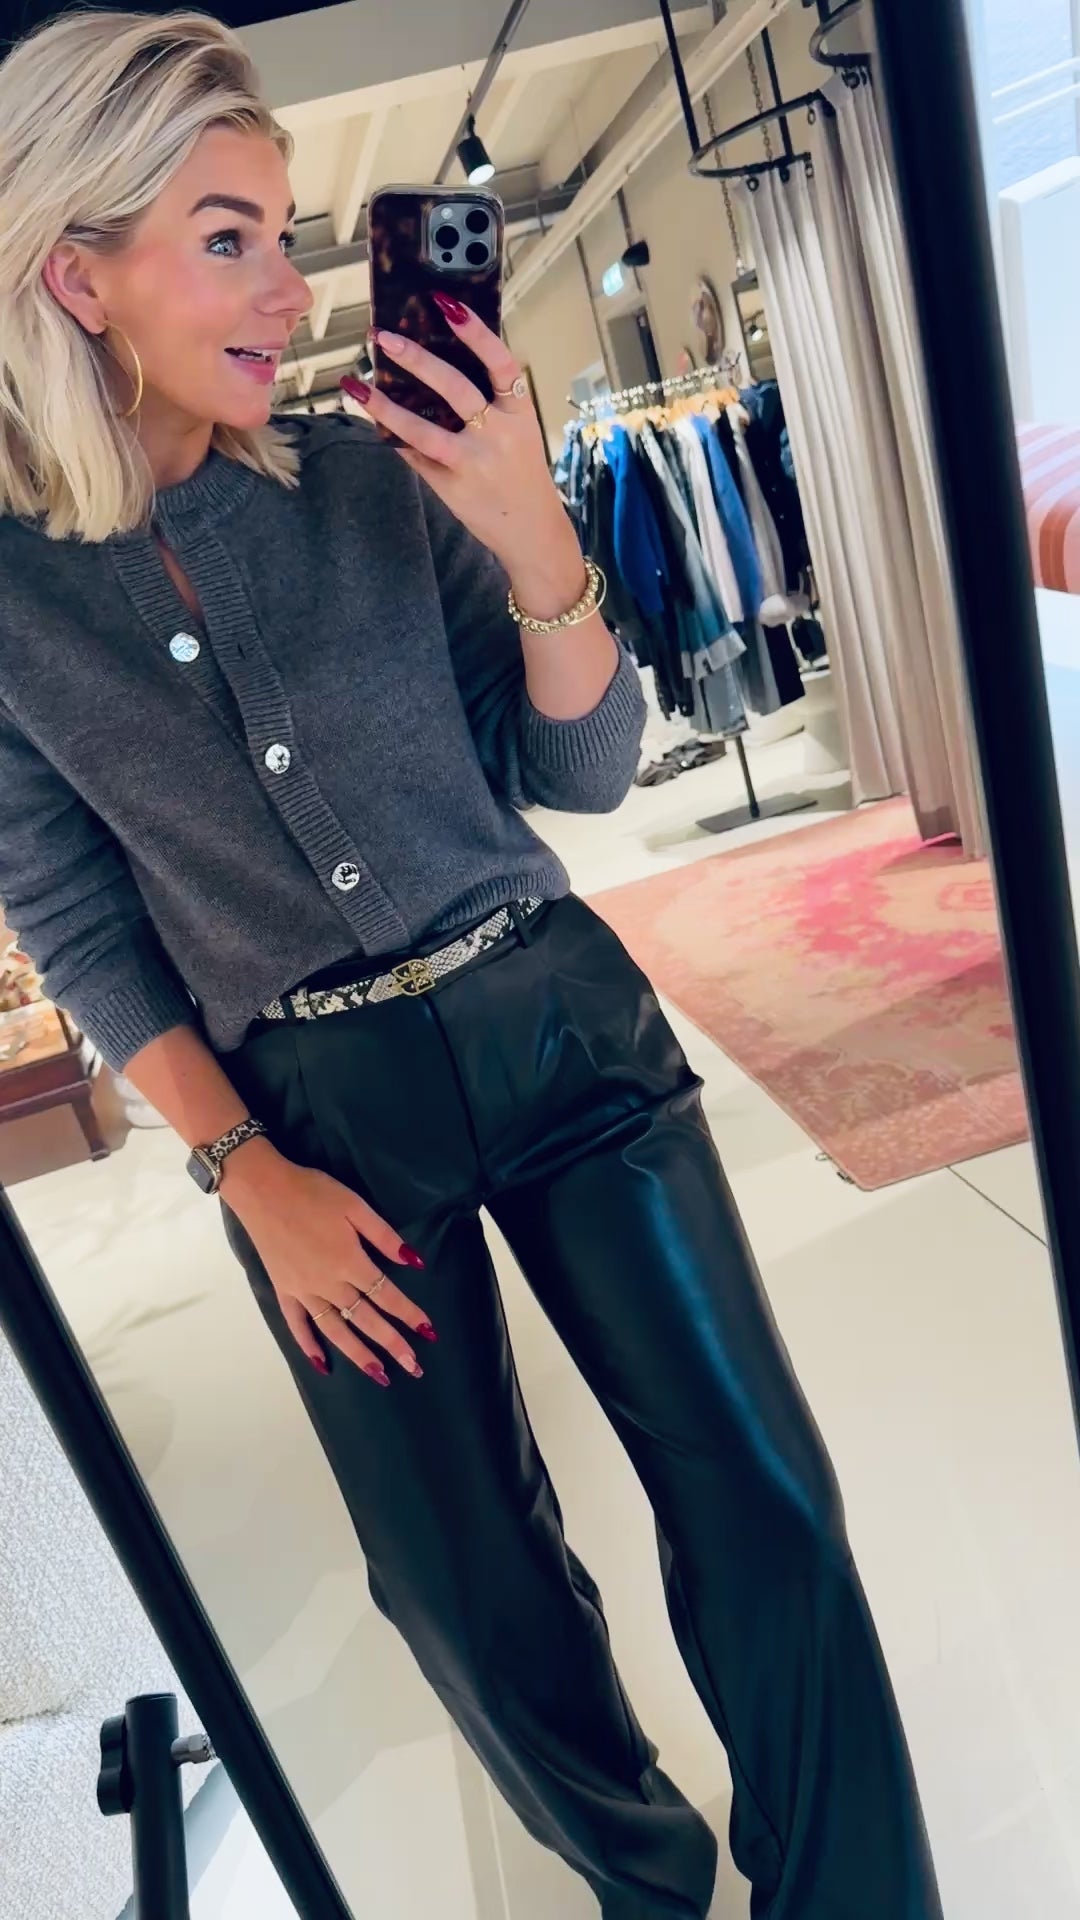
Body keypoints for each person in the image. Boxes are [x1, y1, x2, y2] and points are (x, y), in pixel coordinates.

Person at [0, 12, 942, 1918]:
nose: (293, 287)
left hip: (558, 1028)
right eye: (228, 238)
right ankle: (651, 1890)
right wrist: (246, 1175)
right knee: (459, 1599)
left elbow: (577, 769)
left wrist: (535, 544)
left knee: (762, 1499)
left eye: (284, 235)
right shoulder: (13, 602)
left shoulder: (365, 479)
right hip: (315, 1124)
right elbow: (75, 916)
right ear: (76, 275)